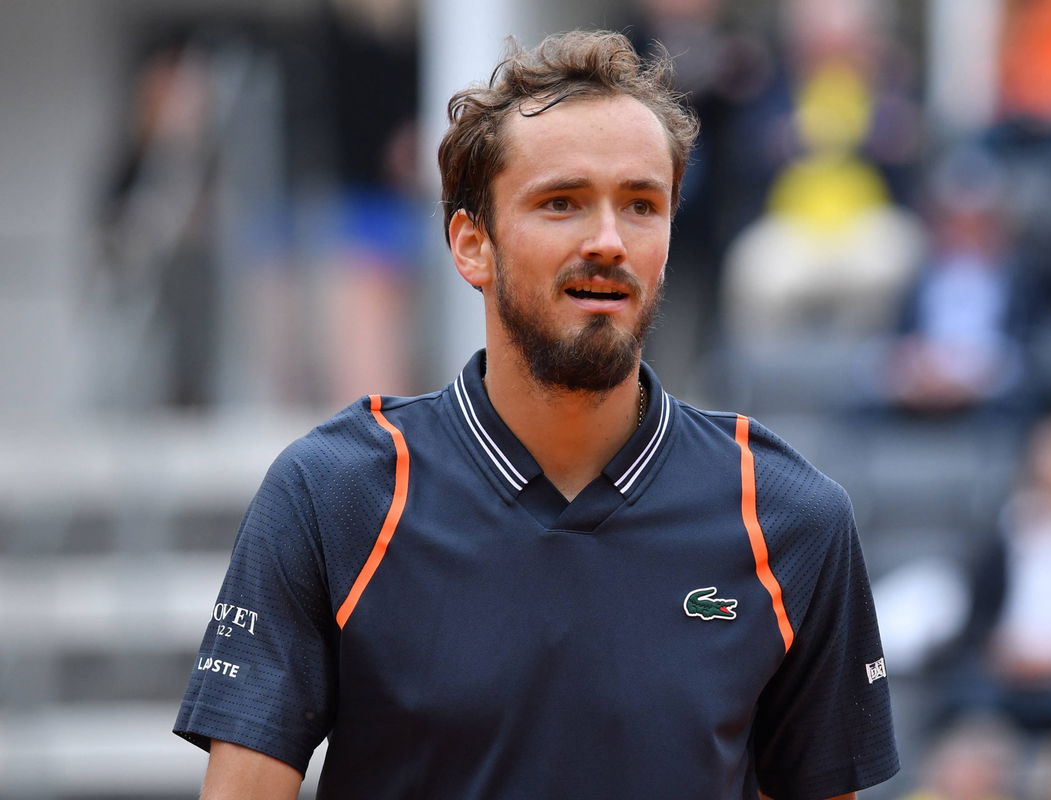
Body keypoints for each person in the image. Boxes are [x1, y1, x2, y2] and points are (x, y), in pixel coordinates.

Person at [173, 30, 898, 800]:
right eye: (562, 203)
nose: (609, 241)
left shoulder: (791, 517)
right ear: (472, 245)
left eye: (641, 205)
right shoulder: (333, 495)